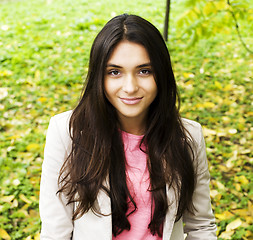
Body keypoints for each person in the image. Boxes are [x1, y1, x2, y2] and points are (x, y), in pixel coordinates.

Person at [39, 14, 217, 240]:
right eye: (115, 72)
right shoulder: (67, 132)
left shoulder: (187, 137)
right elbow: (55, 232)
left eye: (144, 71)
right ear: (99, 77)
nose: (130, 87)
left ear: (160, 74)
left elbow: (200, 226)